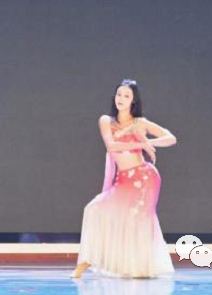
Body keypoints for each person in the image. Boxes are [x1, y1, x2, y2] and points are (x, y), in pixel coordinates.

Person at [72, 79, 177, 279]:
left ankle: (138, 267)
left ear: (133, 101)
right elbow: (111, 146)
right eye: (119, 94)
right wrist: (141, 145)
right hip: (123, 180)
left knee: (136, 221)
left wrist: (150, 142)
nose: (121, 98)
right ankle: (87, 261)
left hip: (145, 179)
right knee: (93, 209)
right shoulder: (106, 121)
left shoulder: (140, 123)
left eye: (127, 96)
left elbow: (171, 138)